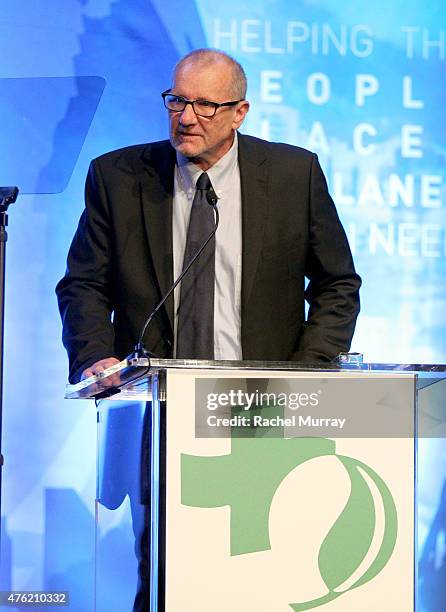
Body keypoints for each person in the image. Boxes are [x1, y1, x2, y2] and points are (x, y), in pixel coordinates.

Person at [56, 48, 361, 384]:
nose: (186, 118)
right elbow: (84, 284)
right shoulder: (118, 177)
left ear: (239, 113)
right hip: (147, 398)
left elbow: (337, 284)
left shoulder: (293, 175)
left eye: (205, 106)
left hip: (265, 400)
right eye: (177, 101)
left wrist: (306, 368)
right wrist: (96, 356)